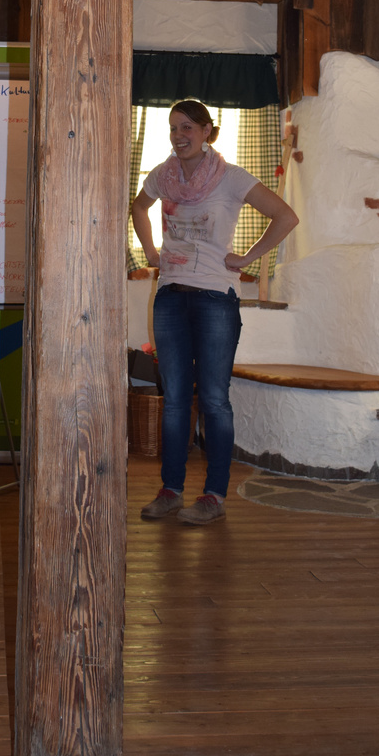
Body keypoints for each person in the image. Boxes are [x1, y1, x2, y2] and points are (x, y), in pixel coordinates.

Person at [130, 100, 298, 526]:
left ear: (207, 131)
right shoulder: (163, 175)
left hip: (215, 300)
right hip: (170, 296)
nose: (178, 135)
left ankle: (214, 496)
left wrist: (247, 259)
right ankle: (170, 491)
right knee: (174, 401)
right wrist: (150, 251)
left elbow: (285, 216)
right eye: (173, 128)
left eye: (187, 127)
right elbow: (138, 207)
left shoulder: (231, 178)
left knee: (214, 400)